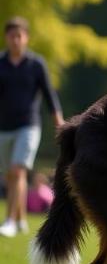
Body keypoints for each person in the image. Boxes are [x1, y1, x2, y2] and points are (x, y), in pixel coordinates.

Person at [0, 17, 64, 238]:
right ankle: (20, 220)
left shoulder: (36, 64)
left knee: (18, 170)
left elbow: (49, 94)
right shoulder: (1, 64)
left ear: (26, 38)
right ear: (6, 38)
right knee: (10, 176)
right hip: (4, 127)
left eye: (20, 36)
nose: (16, 40)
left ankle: (9, 220)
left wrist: (59, 122)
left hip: (29, 125)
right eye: (12, 36)